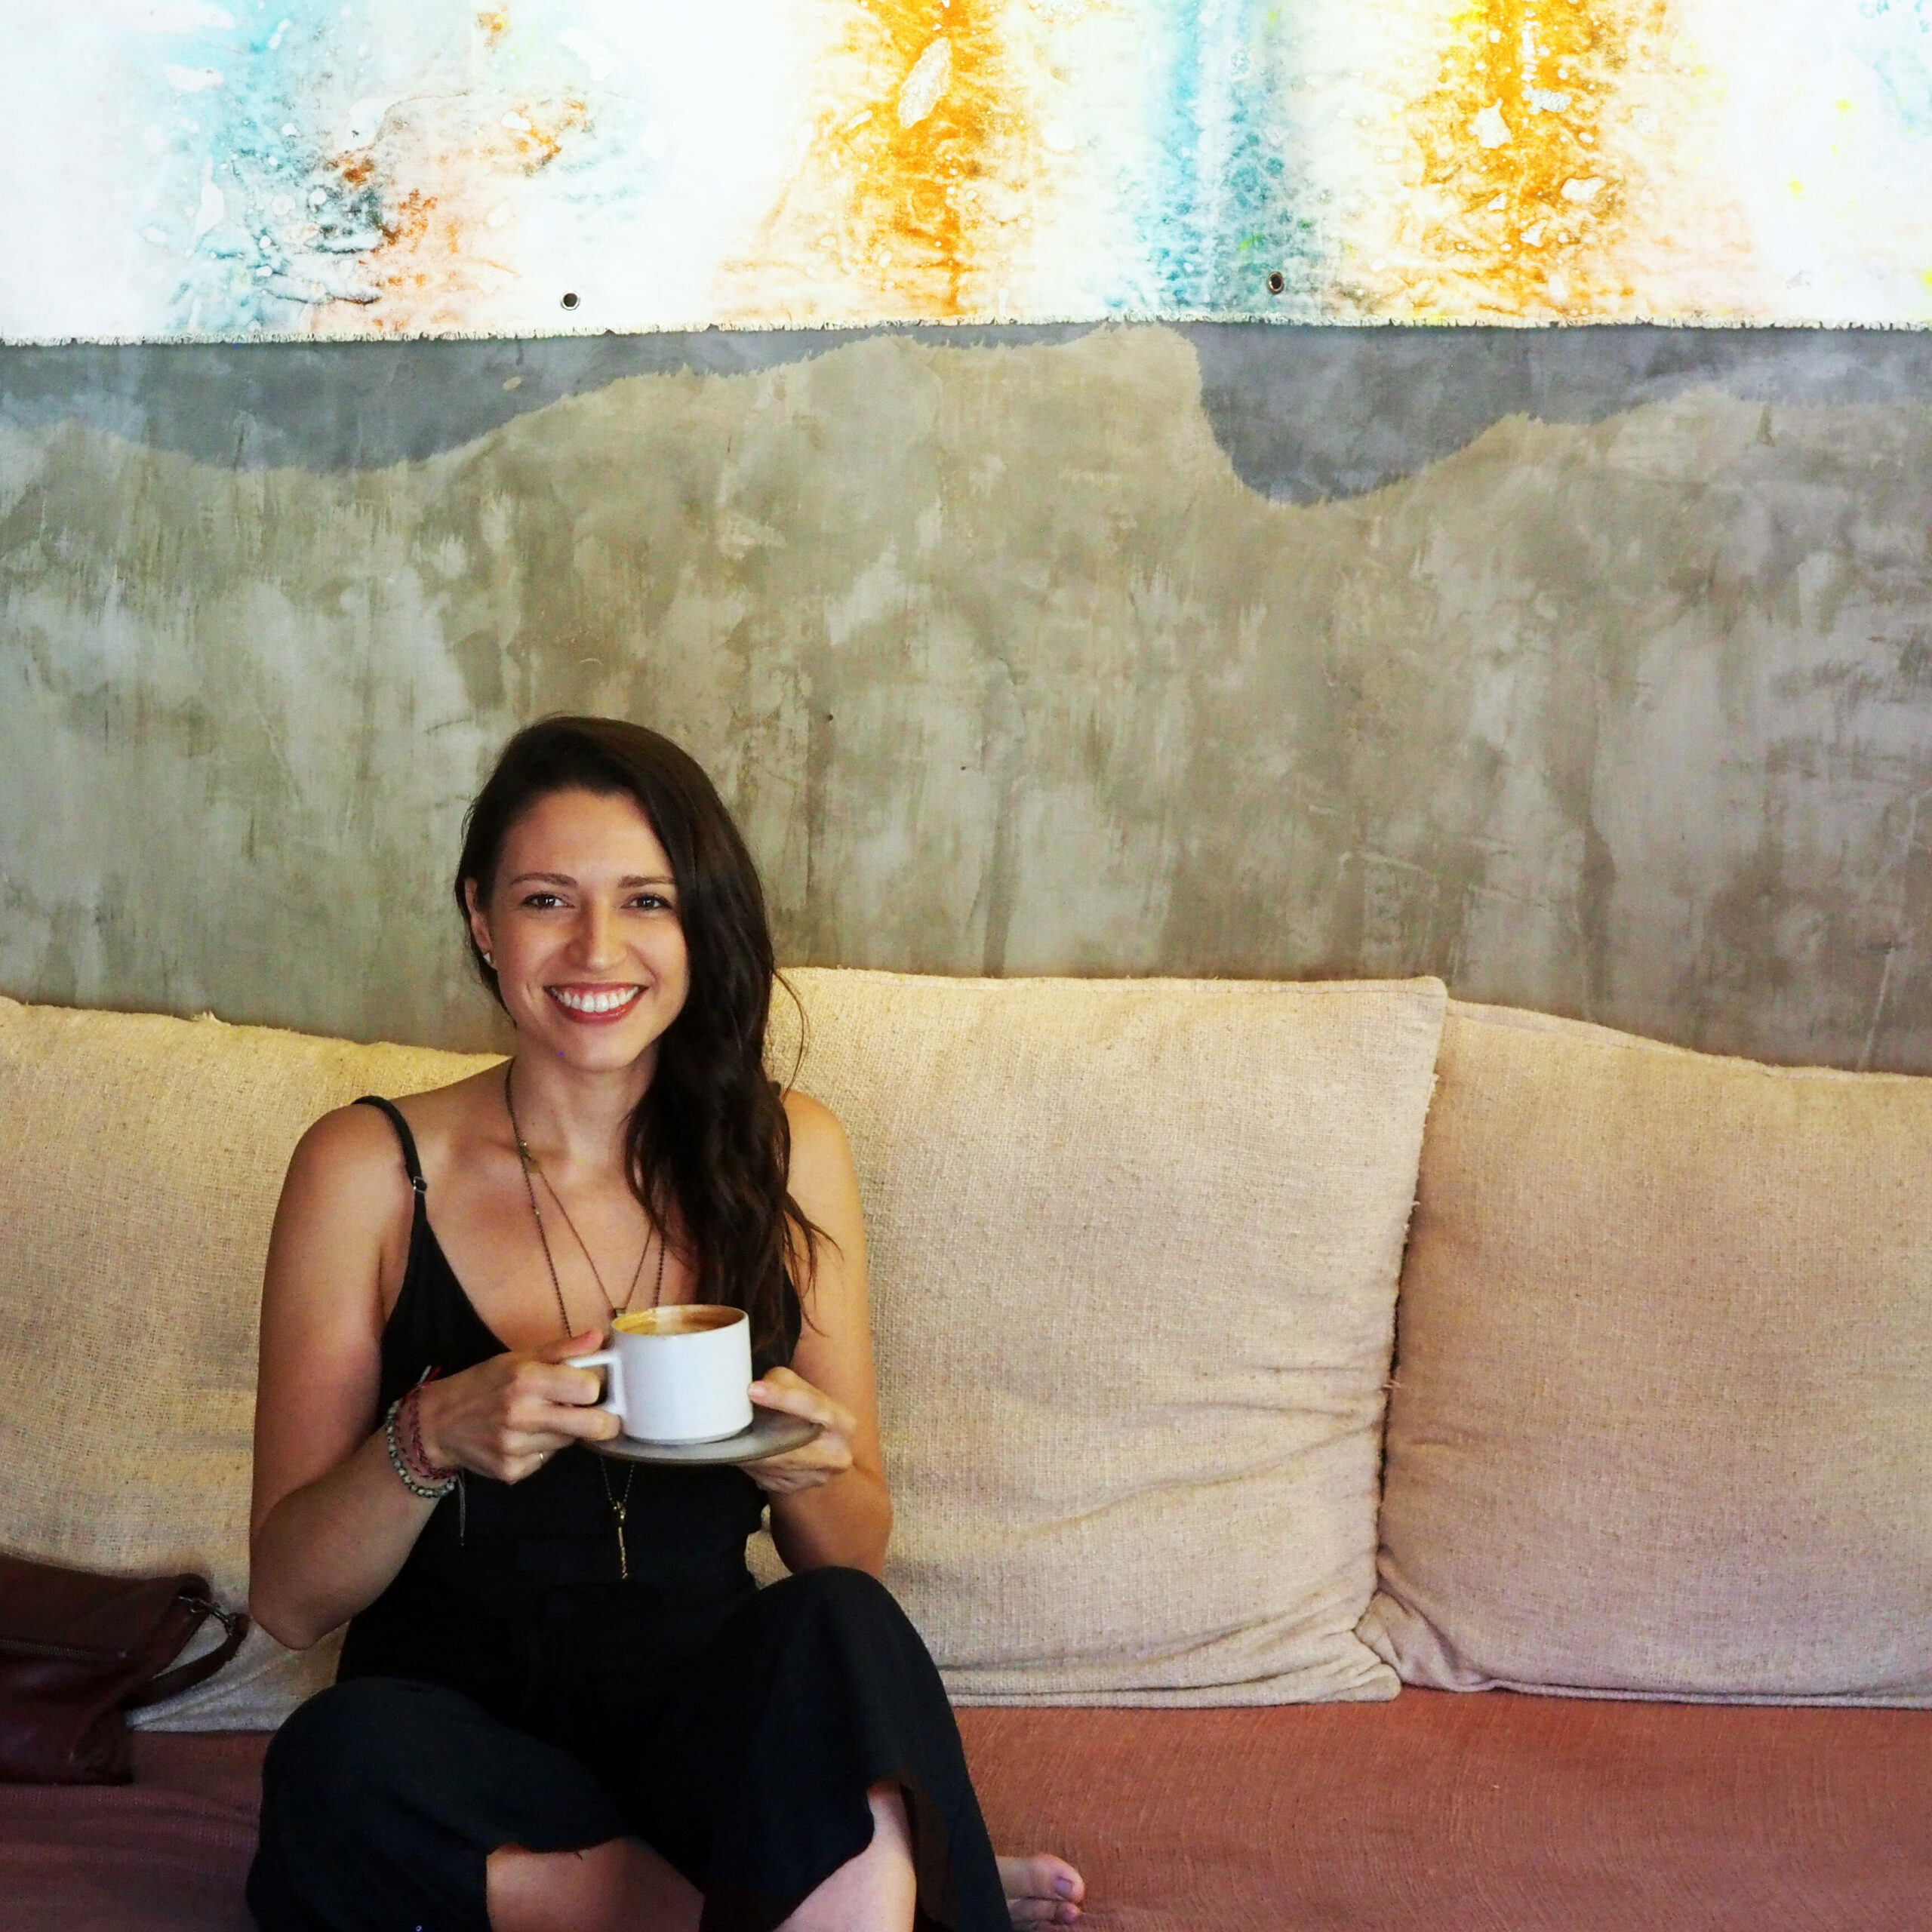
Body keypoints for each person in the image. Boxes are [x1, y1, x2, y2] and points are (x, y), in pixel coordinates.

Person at [245, 716, 1084, 1932]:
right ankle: (843, 1878)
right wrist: (430, 1438)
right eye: (547, 899)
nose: (598, 948)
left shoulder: (790, 1149)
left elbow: (850, 1554)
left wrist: (806, 1465)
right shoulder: (366, 1167)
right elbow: (287, 1599)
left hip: (710, 1732)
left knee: (845, 1627)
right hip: (464, 1742)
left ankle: (809, 1872)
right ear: (482, 919)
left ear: (699, 926)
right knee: (332, 1768)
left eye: (647, 901)